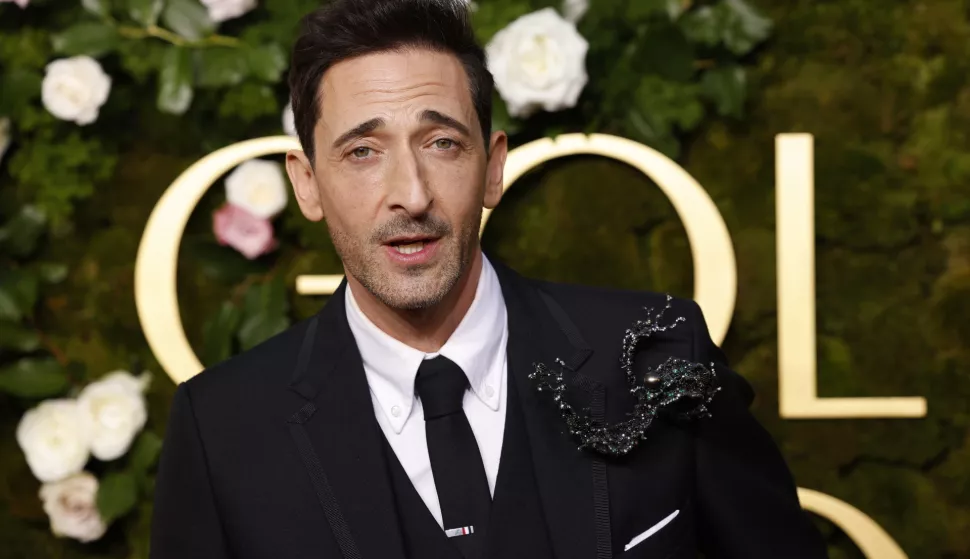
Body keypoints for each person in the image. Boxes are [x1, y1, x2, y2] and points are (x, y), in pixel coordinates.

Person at [150, 0, 828, 557]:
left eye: (441, 143)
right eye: (362, 152)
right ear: (307, 183)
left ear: (494, 164)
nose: (410, 194)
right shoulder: (225, 429)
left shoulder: (655, 353)